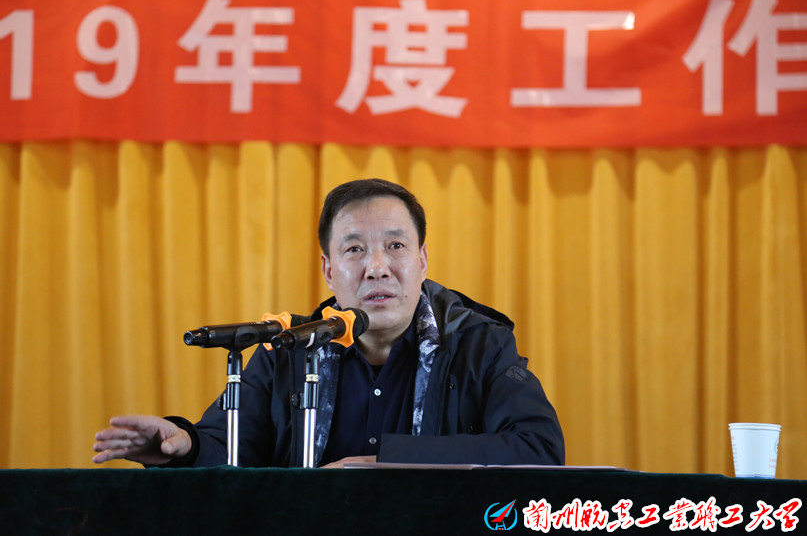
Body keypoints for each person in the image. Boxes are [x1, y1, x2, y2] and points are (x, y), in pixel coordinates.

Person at [93, 179, 564, 468]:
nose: (376, 268)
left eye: (396, 247)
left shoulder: (478, 343)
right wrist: (185, 445)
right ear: (329, 270)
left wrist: (388, 463)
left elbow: (538, 448)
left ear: (422, 261)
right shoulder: (289, 349)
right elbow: (232, 447)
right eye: (354, 249)